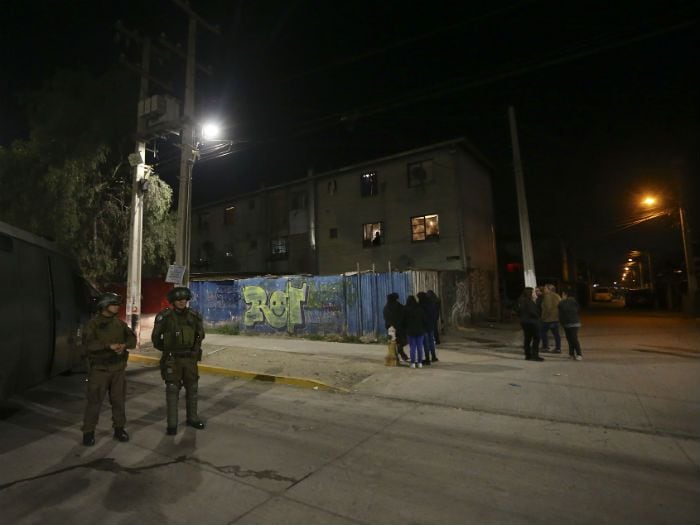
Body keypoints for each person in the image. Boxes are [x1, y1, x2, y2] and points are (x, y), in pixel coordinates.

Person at [81, 292, 136, 446]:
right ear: (105, 305)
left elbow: (132, 338)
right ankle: (88, 431)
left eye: (118, 304)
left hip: (117, 369)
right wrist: (108, 346)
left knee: (118, 401)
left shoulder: (119, 324)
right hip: (100, 369)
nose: (117, 306)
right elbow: (88, 345)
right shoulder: (93, 324)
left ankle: (119, 429)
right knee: (94, 402)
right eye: (114, 304)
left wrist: (124, 346)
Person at [151, 286, 206, 435]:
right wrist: (168, 350)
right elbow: (156, 339)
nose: (182, 302)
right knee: (172, 391)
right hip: (172, 360)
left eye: (184, 299)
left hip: (189, 360)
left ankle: (192, 419)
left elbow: (200, 335)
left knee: (192, 389)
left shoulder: (194, 316)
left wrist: (194, 351)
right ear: (173, 301)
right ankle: (172, 424)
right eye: (179, 300)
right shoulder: (165, 317)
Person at [517, 287, 544, 361]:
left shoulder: (521, 300)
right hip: (532, 322)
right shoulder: (529, 301)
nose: (534, 293)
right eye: (533, 292)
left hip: (524, 322)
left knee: (527, 338)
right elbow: (534, 312)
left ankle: (528, 355)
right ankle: (535, 355)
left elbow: (518, 311)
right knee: (536, 338)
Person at [383, 292, 409, 362]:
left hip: (390, 328)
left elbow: (385, 318)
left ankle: (395, 358)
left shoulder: (385, 307)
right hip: (400, 328)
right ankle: (402, 354)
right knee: (402, 341)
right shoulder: (399, 306)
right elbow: (404, 315)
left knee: (392, 343)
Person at [558, 288, 583, 360]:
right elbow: (577, 309)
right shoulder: (574, 301)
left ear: (565, 295)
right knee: (570, 339)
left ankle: (578, 354)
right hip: (572, 322)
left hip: (571, 322)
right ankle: (571, 354)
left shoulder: (564, 302)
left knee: (573, 339)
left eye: (562, 294)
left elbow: (561, 309)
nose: (562, 296)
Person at [404, 295, 425, 368]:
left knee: (412, 348)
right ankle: (420, 363)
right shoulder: (419, 308)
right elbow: (423, 319)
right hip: (420, 331)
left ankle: (412, 363)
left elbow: (404, 321)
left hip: (410, 332)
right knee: (420, 348)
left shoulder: (405, 309)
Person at [540, 284, 562, 353]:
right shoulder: (557, 296)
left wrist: (543, 317)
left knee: (543, 332)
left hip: (548, 319)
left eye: (545, 288)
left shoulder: (547, 296)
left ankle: (545, 347)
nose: (544, 289)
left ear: (549, 289)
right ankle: (558, 348)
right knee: (556, 335)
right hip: (556, 318)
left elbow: (548, 308)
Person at [417, 291, 438, 364]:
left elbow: (421, 317)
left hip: (424, 327)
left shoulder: (421, 305)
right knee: (431, 341)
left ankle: (427, 359)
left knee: (426, 343)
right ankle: (434, 357)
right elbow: (434, 314)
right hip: (431, 325)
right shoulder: (431, 303)